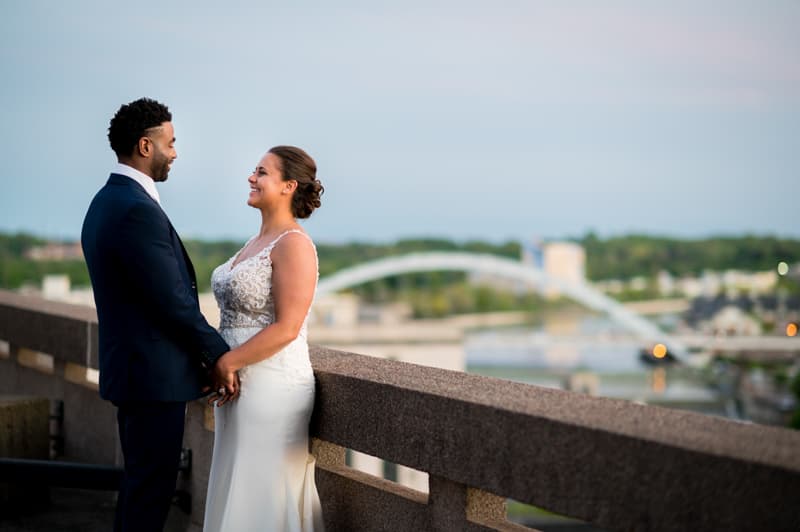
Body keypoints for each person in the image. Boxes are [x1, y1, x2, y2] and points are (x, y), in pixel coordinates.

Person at [81, 97, 237, 532]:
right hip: (152, 381)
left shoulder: (106, 201)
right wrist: (221, 356)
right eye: (170, 142)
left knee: (138, 490)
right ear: (146, 147)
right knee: (149, 496)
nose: (176, 152)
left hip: (136, 375)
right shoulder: (134, 209)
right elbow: (172, 301)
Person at [203, 146, 325, 531]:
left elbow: (288, 327)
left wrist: (228, 362)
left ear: (289, 185)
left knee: (260, 494)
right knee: (236, 483)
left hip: (271, 388)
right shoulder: (255, 243)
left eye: (261, 172)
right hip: (236, 388)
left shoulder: (294, 244)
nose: (251, 178)